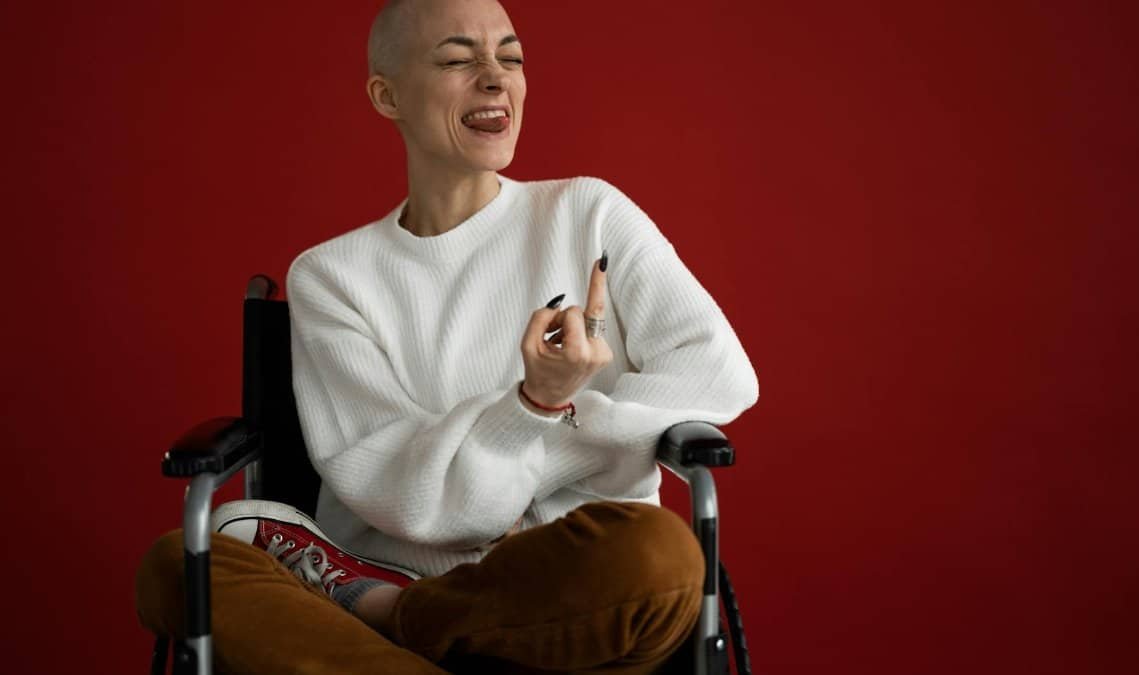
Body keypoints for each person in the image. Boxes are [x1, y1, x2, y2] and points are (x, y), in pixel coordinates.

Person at [135, 0, 759, 672]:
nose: (496, 78)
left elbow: (721, 372)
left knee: (661, 559)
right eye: (460, 59)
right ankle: (394, 607)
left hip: (564, 590)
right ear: (387, 95)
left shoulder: (590, 213)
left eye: (511, 58)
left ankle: (390, 612)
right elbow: (401, 498)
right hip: (397, 557)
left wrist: (550, 411)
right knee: (180, 562)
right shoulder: (333, 277)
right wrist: (530, 411)